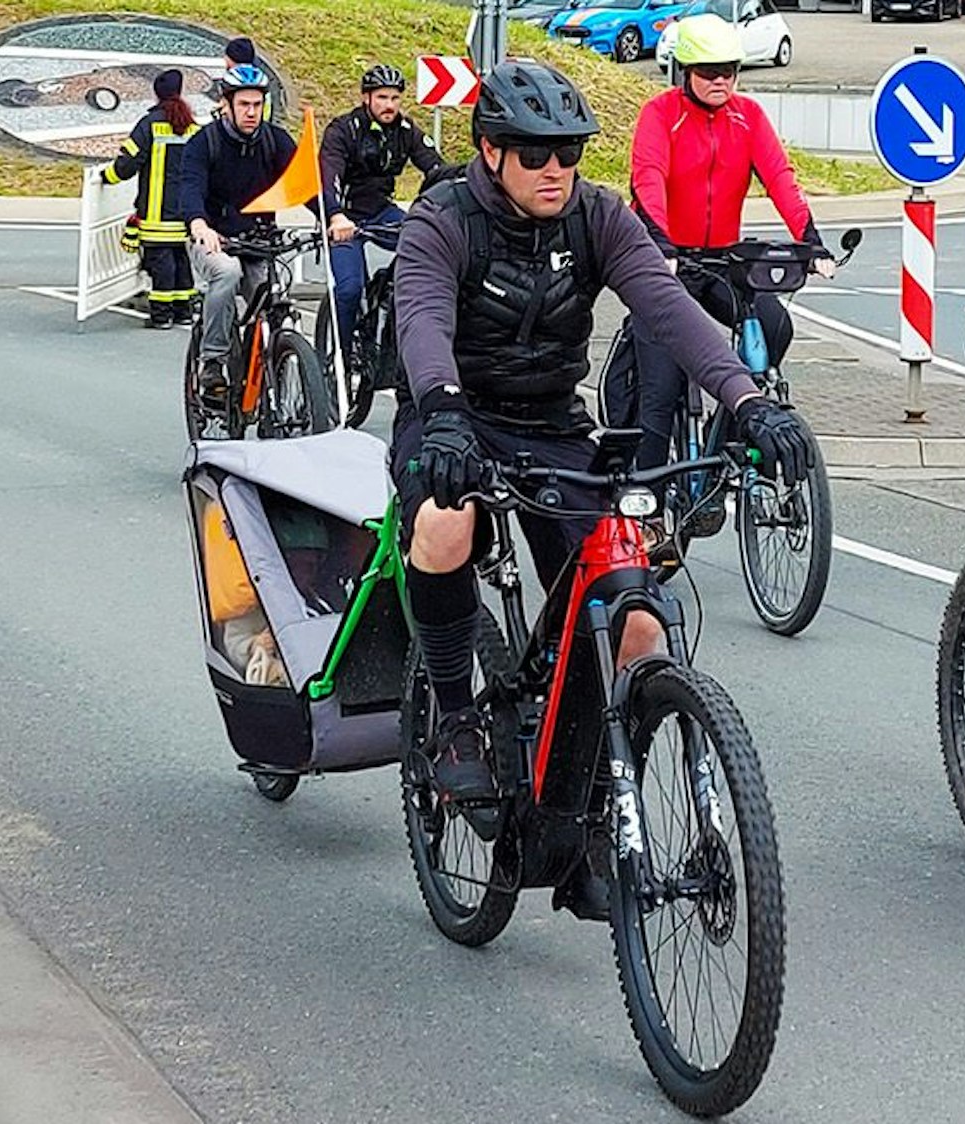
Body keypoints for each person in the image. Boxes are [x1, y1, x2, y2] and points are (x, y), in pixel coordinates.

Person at [392, 59, 812, 918]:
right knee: (443, 525)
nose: (557, 170)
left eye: (570, 153)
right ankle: (458, 715)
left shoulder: (597, 217)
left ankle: (589, 815)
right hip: (451, 421)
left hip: (552, 425)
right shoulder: (445, 218)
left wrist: (748, 402)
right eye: (536, 155)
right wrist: (442, 415)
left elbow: (670, 311)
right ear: (491, 151)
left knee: (635, 623)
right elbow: (423, 320)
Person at [611, 13, 832, 472]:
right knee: (659, 391)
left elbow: (780, 177)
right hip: (665, 263)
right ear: (685, 72)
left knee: (774, 327)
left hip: (720, 262)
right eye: (709, 72)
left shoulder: (747, 117)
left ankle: (730, 428)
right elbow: (647, 179)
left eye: (729, 71)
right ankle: (649, 498)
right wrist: (661, 246)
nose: (721, 81)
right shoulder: (661, 114)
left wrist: (811, 241)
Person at [177, 62, 313, 396]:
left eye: (257, 104)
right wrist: (199, 224)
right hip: (214, 238)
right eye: (243, 104)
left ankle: (270, 364)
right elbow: (190, 187)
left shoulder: (275, 141)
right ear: (226, 104)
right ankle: (212, 361)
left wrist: (333, 216)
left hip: (258, 239)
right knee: (227, 273)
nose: (251, 112)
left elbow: (306, 185)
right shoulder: (205, 143)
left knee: (272, 293)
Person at [319, 63, 443, 356]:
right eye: (382, 97)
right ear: (366, 98)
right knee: (349, 289)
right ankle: (340, 355)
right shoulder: (344, 130)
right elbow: (328, 175)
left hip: (381, 212)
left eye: (395, 98)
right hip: (345, 217)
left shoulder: (405, 130)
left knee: (427, 245)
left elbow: (436, 168)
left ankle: (390, 296)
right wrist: (335, 215)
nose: (389, 105)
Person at [103, 69, 199, 328]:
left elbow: (127, 163)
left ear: (157, 94)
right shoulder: (192, 126)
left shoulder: (149, 124)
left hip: (156, 212)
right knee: (181, 260)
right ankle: (184, 311)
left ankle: (161, 315)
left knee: (161, 262)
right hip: (185, 211)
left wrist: (106, 177)